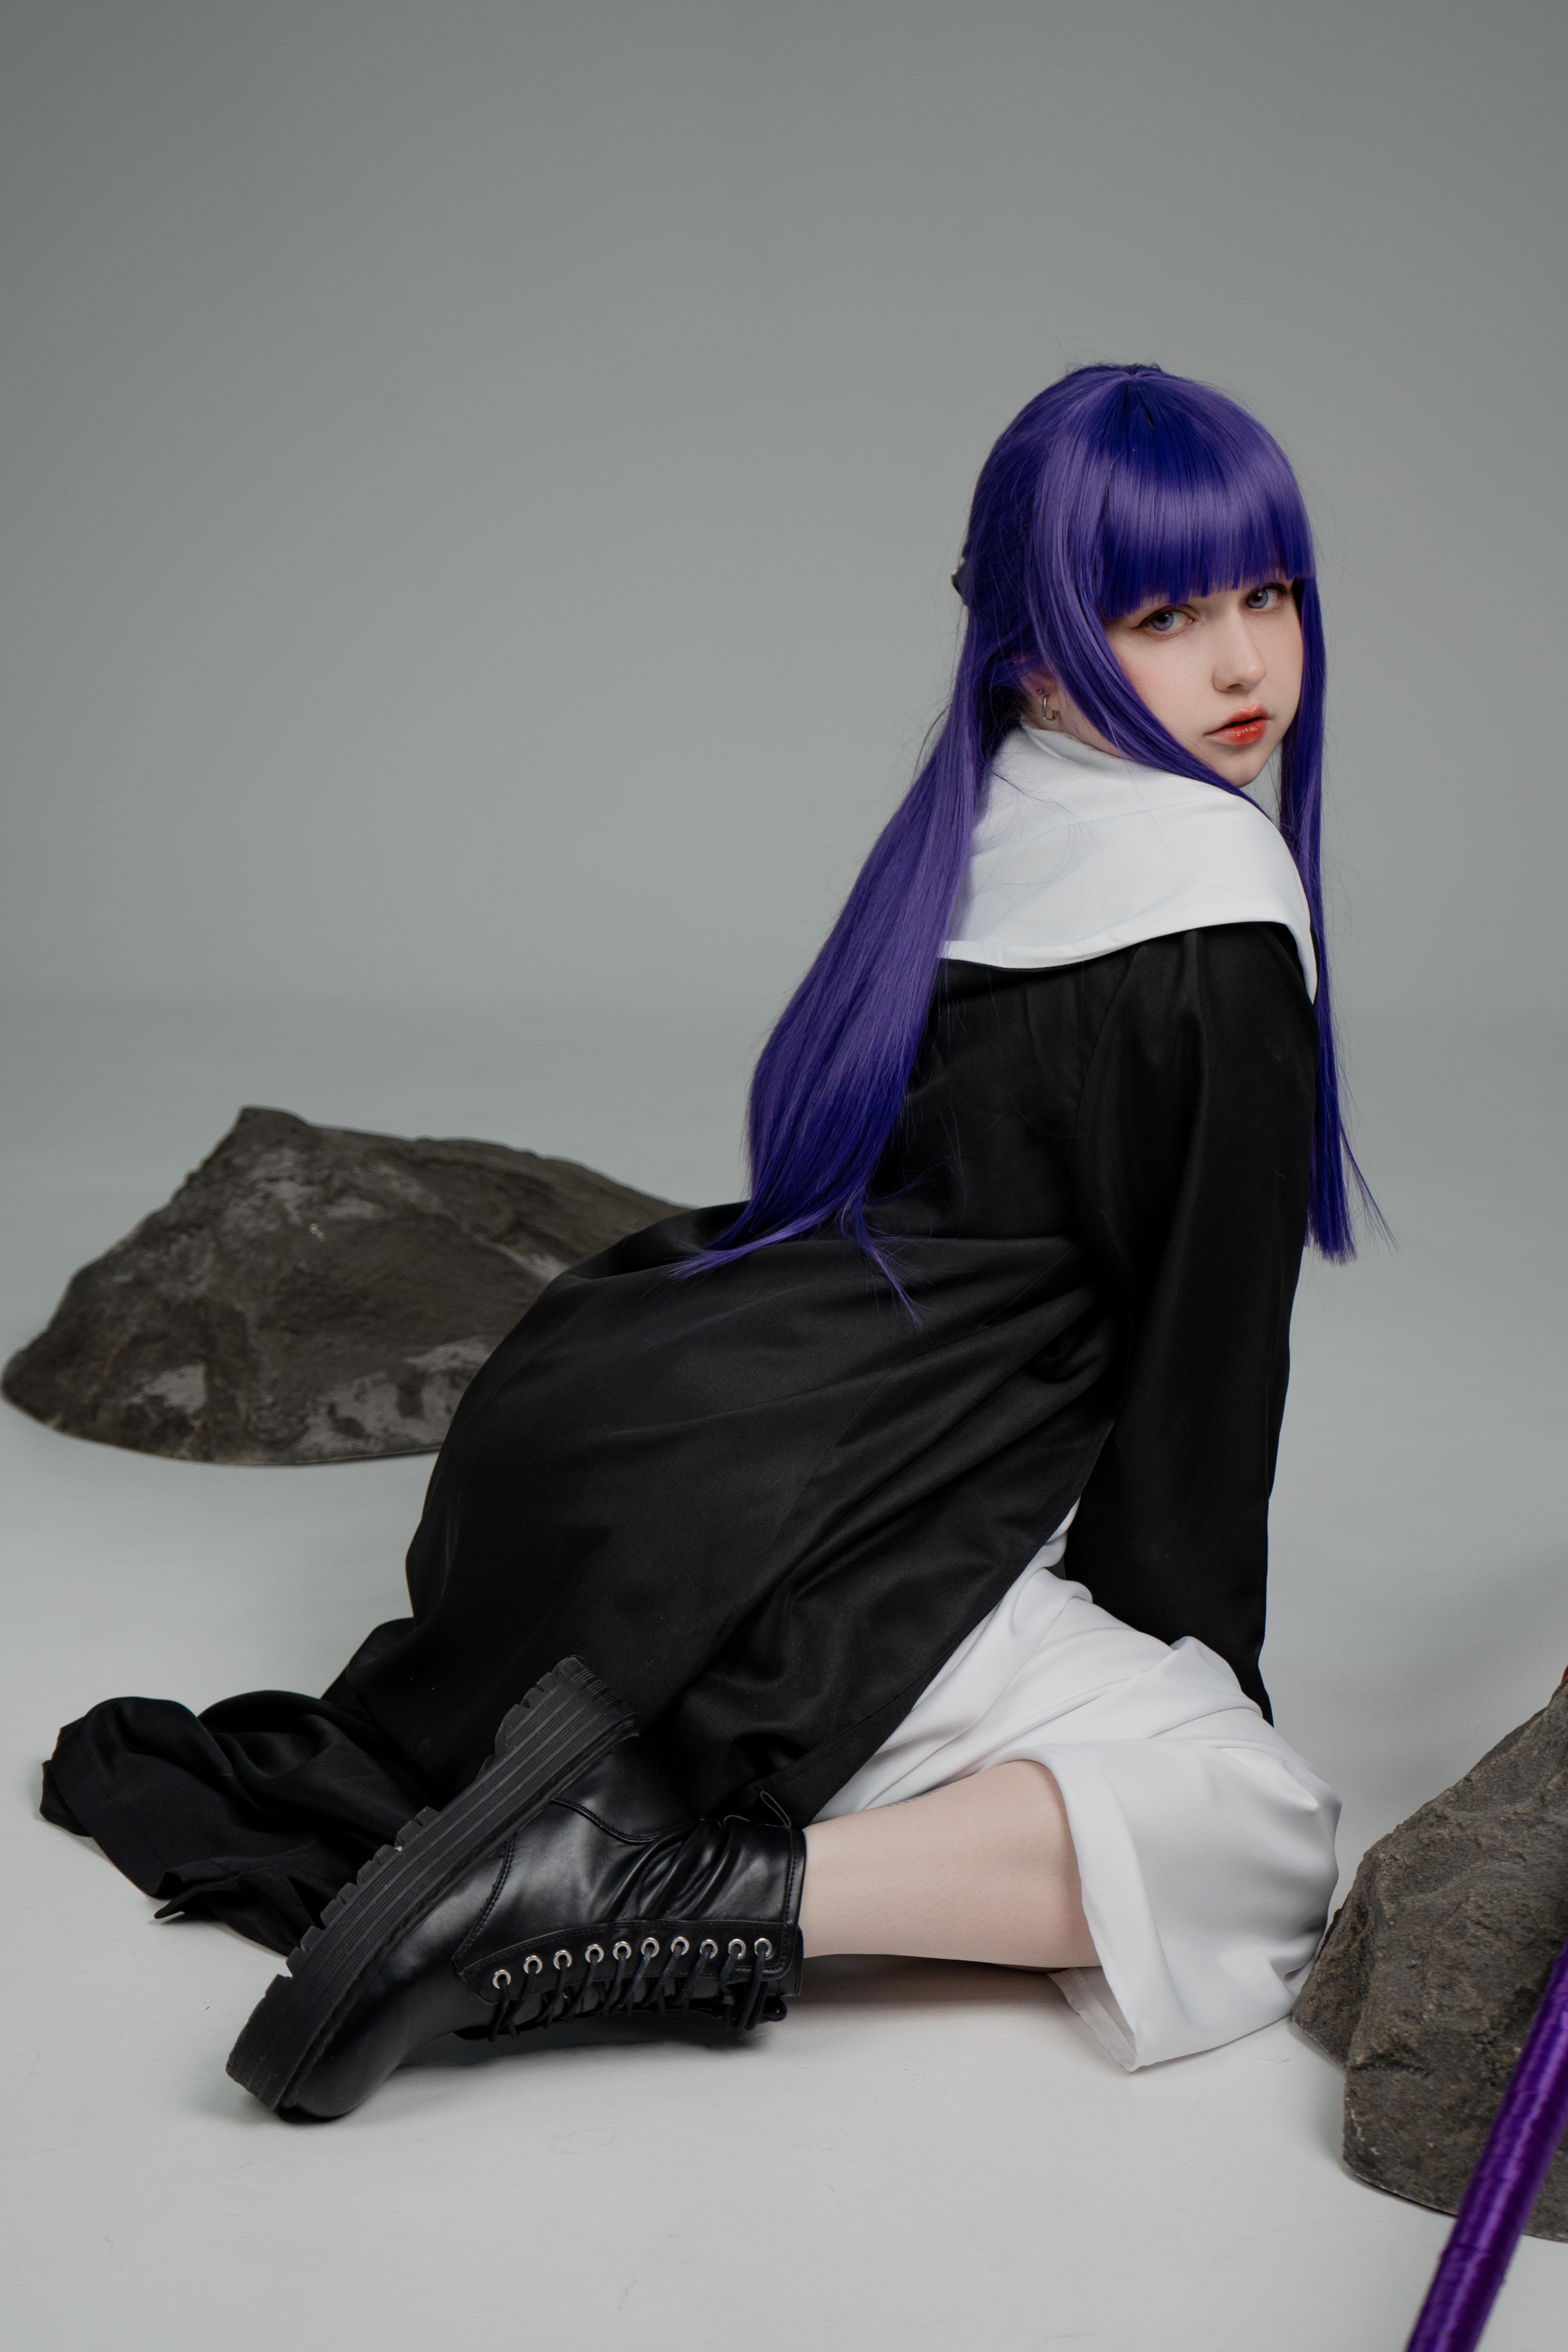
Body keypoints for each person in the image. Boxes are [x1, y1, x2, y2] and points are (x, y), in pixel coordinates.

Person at [43, 362, 1358, 2122]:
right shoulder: (1211, 915)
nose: (1242, 663)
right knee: (1257, 1843)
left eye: (1267, 593)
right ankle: (630, 1890)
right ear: (1033, 649)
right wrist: (1198, 1688)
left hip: (619, 1437)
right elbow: (1205, 1374)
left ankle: (599, 1823)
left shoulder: (987, 815)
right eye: (1163, 615)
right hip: (799, 1532)